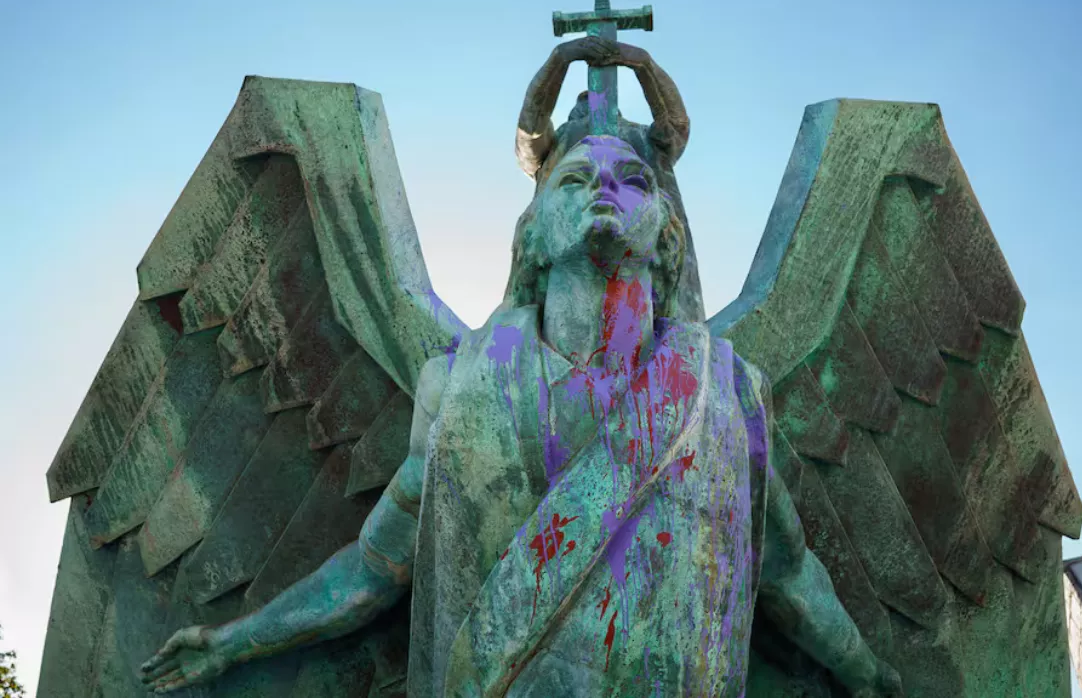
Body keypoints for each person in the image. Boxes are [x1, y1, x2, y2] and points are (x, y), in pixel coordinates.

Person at [140, 43, 902, 698]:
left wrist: (871, 678)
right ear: (532, 236)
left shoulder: (728, 390)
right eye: (573, 180)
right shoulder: (455, 387)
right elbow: (374, 569)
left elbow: (789, 574)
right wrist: (234, 641)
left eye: (634, 180)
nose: (605, 185)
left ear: (668, 239)